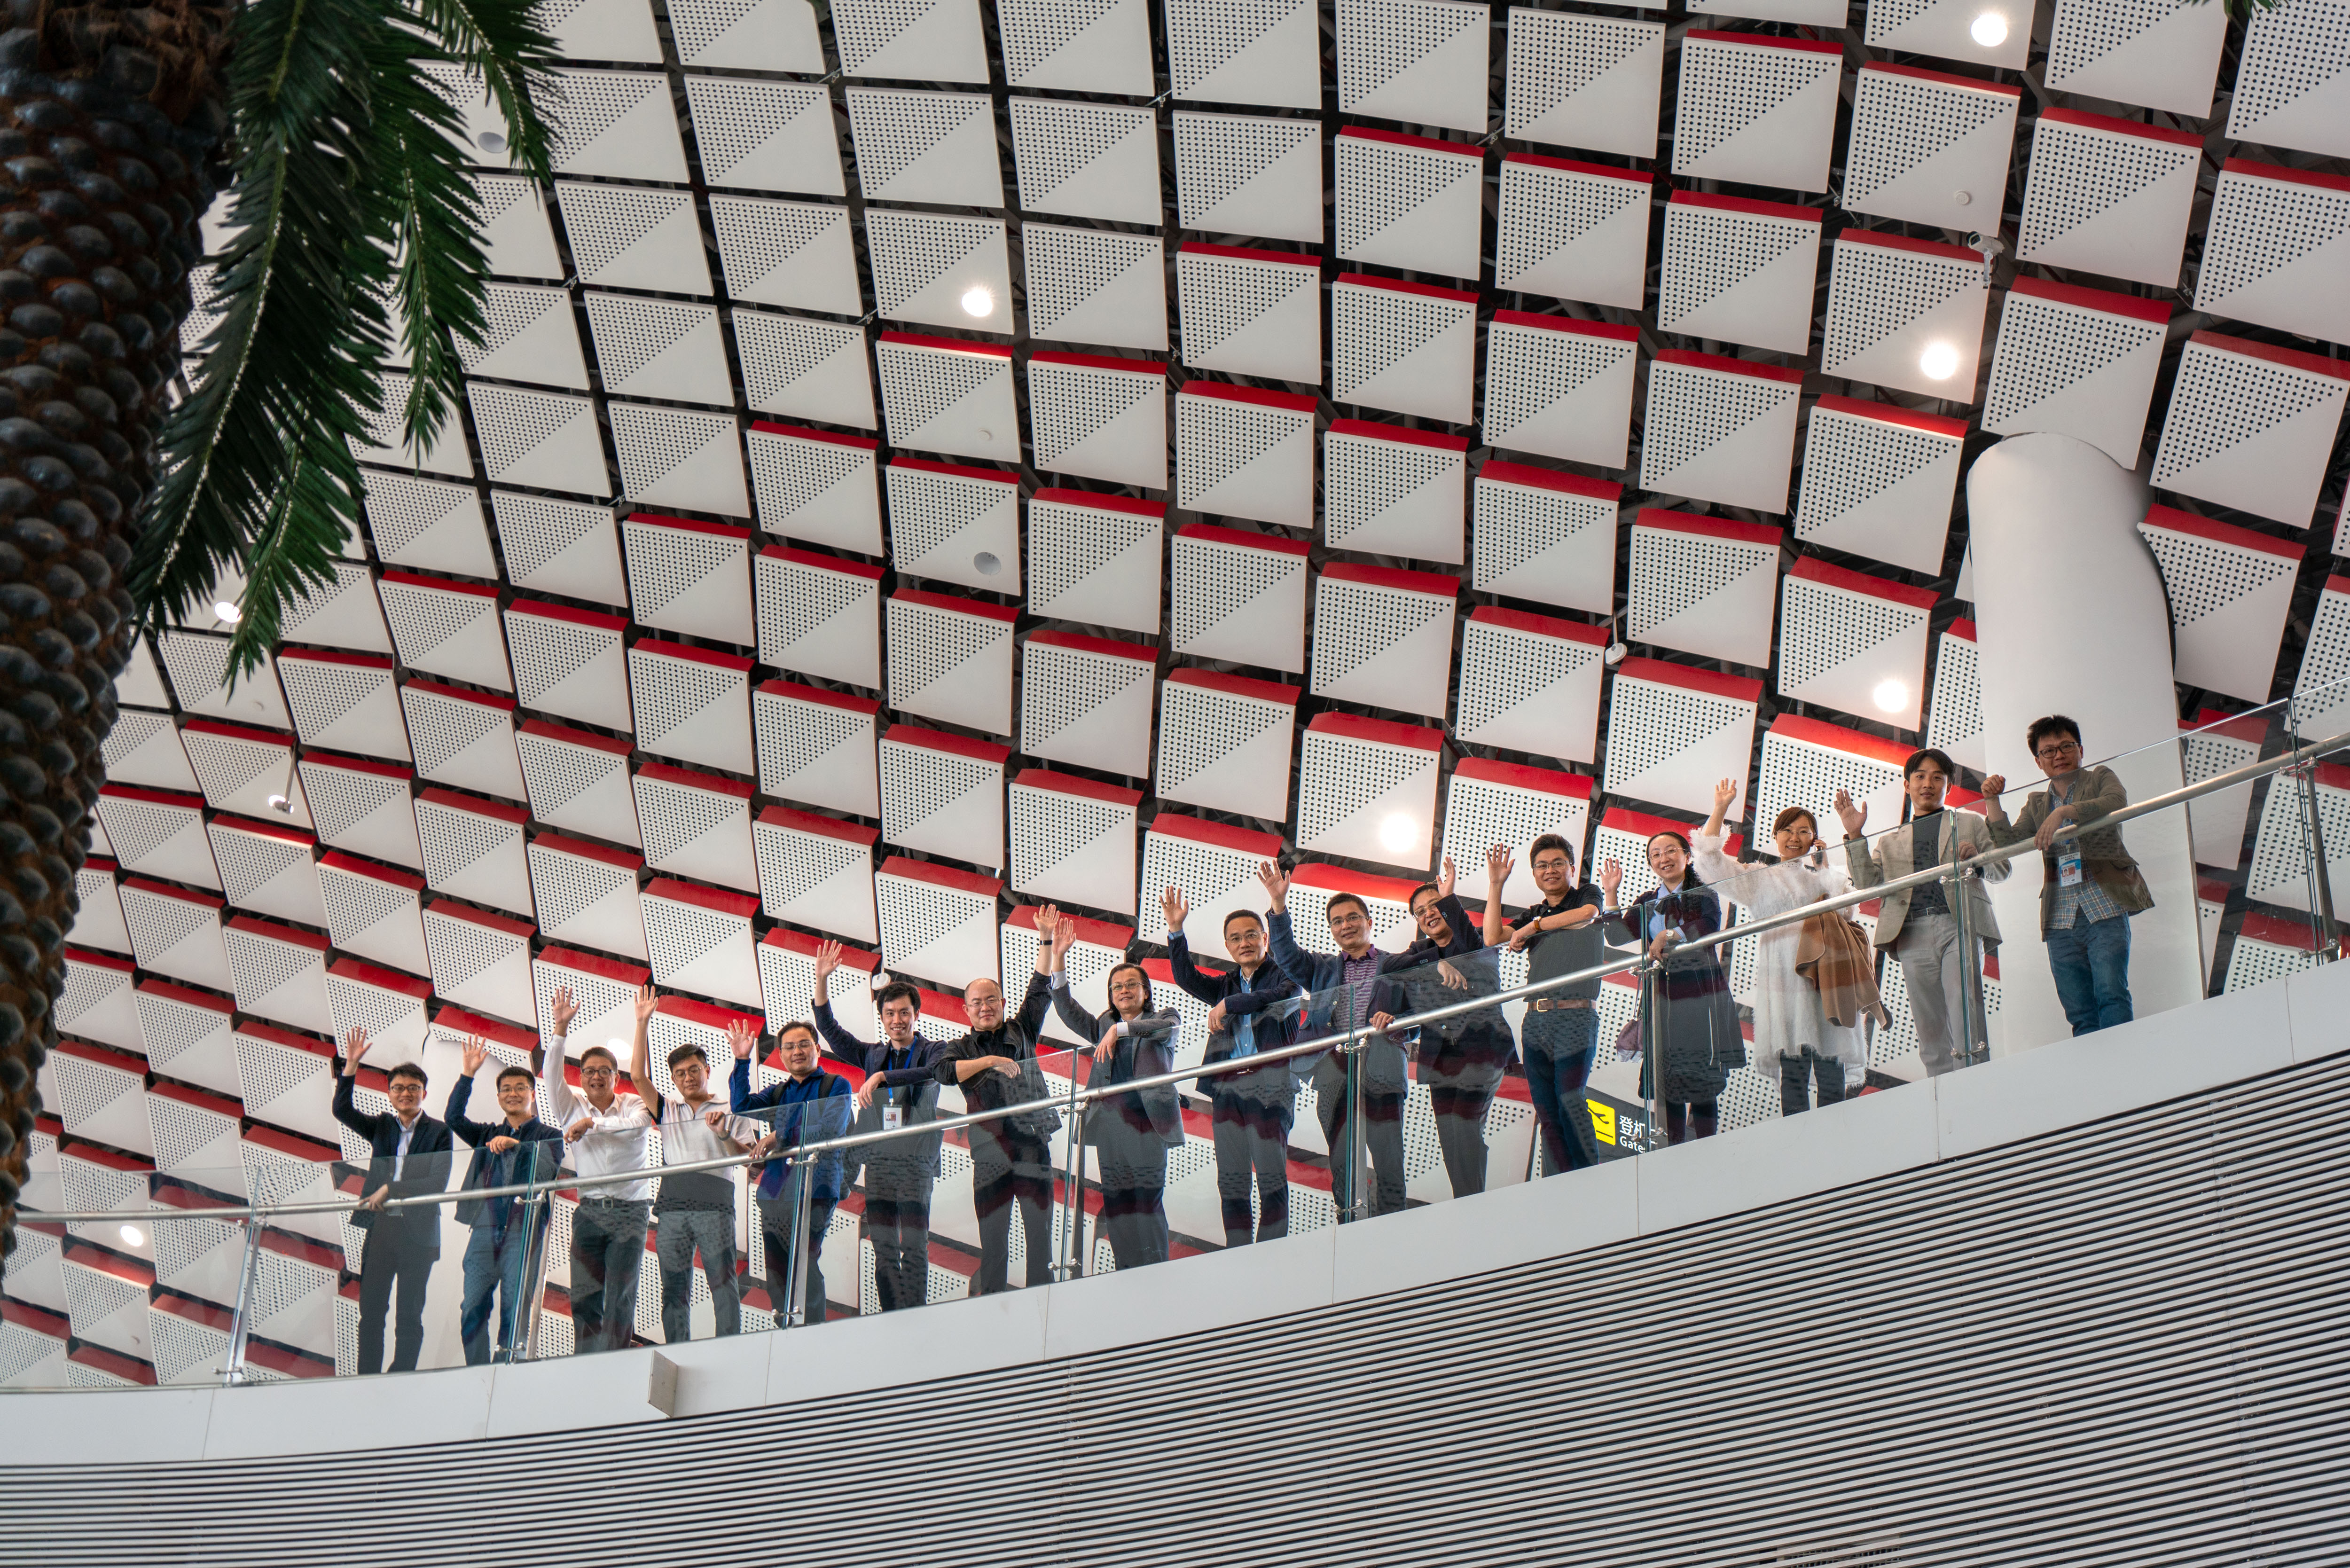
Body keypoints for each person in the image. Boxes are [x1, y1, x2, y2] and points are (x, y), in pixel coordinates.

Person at [1696, 782, 1864, 1116]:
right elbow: (1711, 863)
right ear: (1775, 836)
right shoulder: (1758, 877)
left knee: (1832, 1072)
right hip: (1783, 981)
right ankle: (1797, 1142)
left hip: (1826, 978)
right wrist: (1720, 809)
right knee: (1794, 1075)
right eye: (1787, 830)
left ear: (1814, 839)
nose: (1794, 838)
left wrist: (1824, 868)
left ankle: (1837, 1139)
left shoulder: (1824, 877)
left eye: (1804, 832)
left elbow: (1848, 909)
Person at [1256, 860, 1411, 1217]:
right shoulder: (1322, 968)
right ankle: (1350, 1226)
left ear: (1369, 922)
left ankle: (1394, 1227)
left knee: (1388, 1158)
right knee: (1341, 1160)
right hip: (1334, 1071)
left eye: (1353, 917)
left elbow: (1416, 1020)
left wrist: (1397, 1022)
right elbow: (1285, 955)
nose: (1345, 925)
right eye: (1337, 921)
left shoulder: (1397, 964)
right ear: (1332, 930)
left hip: (1383, 1067)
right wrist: (1278, 905)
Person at [1839, 747, 2008, 1074]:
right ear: (1907, 785)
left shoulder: (1969, 823)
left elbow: (2002, 868)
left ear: (1948, 785)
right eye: (1920, 777)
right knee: (1928, 1024)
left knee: (1966, 1012)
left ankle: (1977, 1084)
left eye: (1937, 778)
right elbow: (1865, 882)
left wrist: (1977, 861)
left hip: (1959, 924)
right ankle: (1940, 1092)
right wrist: (1856, 835)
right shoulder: (1890, 841)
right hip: (1911, 933)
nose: (1927, 784)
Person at [1982, 715, 2152, 1035]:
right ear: (2039, 762)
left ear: (2080, 750)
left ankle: (2125, 1062)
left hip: (2105, 906)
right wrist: (1992, 801)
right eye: (2049, 751)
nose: (2058, 755)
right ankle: (2092, 1068)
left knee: (2112, 995)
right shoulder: (2037, 803)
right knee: (2079, 1012)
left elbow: (2116, 801)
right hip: (2060, 918)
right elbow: (2007, 845)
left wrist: (2064, 812)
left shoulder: (2099, 777)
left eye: (2066, 747)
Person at [811, 946, 952, 1311]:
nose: (897, 1020)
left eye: (904, 1012)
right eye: (890, 1014)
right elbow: (829, 1029)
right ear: (882, 1018)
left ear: (916, 1015)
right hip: (879, 1163)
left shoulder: (935, 1050)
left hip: (916, 1162)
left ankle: (914, 1314)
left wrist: (883, 1078)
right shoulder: (873, 1054)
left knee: (915, 1245)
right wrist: (822, 979)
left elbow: (933, 1074)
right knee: (884, 1246)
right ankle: (892, 1316)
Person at [1044, 913, 1184, 1270]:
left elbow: (1162, 1030)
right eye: (1117, 987)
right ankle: (1126, 1273)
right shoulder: (1105, 1023)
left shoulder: (1166, 1018)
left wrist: (1121, 1030)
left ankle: (1157, 1271)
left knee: (1147, 1203)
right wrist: (1058, 958)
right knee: (1118, 1206)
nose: (1123, 990)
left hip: (1148, 1127)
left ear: (1146, 991)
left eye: (1131, 985)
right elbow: (1067, 1010)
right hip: (1110, 1128)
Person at [1163, 887, 1302, 1247]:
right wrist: (1176, 931)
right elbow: (1186, 979)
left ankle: (1271, 1253)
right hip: (1228, 1091)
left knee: (1271, 1176)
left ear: (1265, 938)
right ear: (1227, 946)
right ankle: (1237, 1253)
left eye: (1251, 935)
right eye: (1236, 939)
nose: (1244, 943)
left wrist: (1229, 1004)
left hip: (1271, 1087)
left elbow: (1281, 997)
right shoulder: (1226, 983)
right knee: (1232, 1180)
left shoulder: (1284, 973)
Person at [627, 987, 764, 1343]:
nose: (687, 1077)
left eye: (693, 1070)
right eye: (680, 1074)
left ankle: (728, 1348)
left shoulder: (731, 1108)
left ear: (707, 1071)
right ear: (673, 1080)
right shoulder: (667, 1109)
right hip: (672, 1207)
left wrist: (722, 1133)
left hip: (715, 1205)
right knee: (674, 1288)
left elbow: (751, 1161)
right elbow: (638, 1077)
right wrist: (642, 1023)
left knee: (723, 1283)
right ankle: (678, 1350)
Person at [930, 927, 1061, 1294]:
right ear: (966, 1010)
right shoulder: (959, 1048)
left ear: (1002, 1002)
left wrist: (1046, 940)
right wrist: (989, 1061)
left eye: (991, 1000)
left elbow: (1039, 988)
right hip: (989, 1153)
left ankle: (1043, 1307)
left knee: (1040, 1240)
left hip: (1032, 1146)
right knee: (993, 1244)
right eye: (977, 1003)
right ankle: (992, 1310)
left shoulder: (1022, 1029)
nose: (985, 1007)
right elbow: (943, 1073)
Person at [1600, 831, 1738, 1145]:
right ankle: (1673, 1151)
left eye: (1671, 851)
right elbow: (1618, 937)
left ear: (1687, 856)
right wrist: (1611, 894)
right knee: (1668, 1082)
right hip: (1661, 998)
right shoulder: (1647, 902)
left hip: (1699, 996)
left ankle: (1707, 1147)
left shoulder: (1702, 890)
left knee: (1702, 1081)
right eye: (1656, 854)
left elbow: (1708, 924)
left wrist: (1668, 935)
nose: (1664, 858)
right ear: (1651, 863)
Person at [330, 1027, 454, 1374]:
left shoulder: (439, 1132)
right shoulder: (382, 1126)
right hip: (381, 1230)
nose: (405, 1093)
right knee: (371, 1313)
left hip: (419, 1234)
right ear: (389, 1094)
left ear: (424, 1093)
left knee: (409, 1316)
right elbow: (342, 1110)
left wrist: (391, 1189)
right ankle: (367, 1378)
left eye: (413, 1088)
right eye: (398, 1088)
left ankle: (402, 1378)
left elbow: (437, 1183)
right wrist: (351, 1066)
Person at [1385, 857, 1510, 1199]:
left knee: (1464, 1128)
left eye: (1435, 905)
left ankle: (1472, 1204)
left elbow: (1470, 950)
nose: (1429, 914)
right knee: (1450, 1138)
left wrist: (1449, 898)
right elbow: (1389, 966)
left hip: (1481, 1052)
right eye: (1420, 911)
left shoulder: (1476, 940)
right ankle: (1466, 1200)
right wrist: (1435, 965)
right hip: (1440, 1058)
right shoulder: (1420, 951)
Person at [1482, 835, 1606, 1175]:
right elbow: (1492, 937)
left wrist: (1532, 929)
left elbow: (1587, 916)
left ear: (1571, 868)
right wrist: (1496, 885)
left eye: (1557, 863)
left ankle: (1590, 1178)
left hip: (1576, 1015)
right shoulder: (1535, 913)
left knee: (1571, 1099)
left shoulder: (1586, 894)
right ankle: (1558, 1183)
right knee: (1548, 1112)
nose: (1549, 870)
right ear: (1534, 873)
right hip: (1535, 1020)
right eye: (1541, 866)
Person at [538, 985, 650, 1355]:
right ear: (582, 1077)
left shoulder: (633, 1103)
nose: (596, 1077)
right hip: (589, 1213)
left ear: (616, 1077)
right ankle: (585, 1362)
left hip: (631, 1212)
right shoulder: (571, 1107)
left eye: (605, 1071)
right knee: (585, 1295)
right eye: (589, 1072)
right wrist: (560, 1030)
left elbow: (637, 1127)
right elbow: (551, 1075)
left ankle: (615, 1359)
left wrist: (593, 1125)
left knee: (621, 1295)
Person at [445, 1035, 564, 1366]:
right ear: (498, 1098)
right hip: (484, 1230)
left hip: (523, 1233)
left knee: (515, 1305)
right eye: (506, 1089)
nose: (513, 1094)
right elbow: (453, 1118)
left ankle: (507, 1371)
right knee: (472, 1306)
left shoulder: (550, 1136)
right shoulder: (486, 1135)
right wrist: (468, 1075)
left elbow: (546, 1173)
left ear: (532, 1094)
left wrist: (518, 1147)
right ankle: (478, 1372)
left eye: (520, 1088)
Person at [729, 1020, 853, 1327]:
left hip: (816, 1189)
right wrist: (742, 1061)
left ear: (817, 1049)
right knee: (777, 1273)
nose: (797, 1051)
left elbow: (829, 1130)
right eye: (789, 1047)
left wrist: (779, 1135)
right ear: (782, 1055)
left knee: (805, 1265)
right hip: (776, 1192)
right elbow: (741, 1106)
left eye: (803, 1044)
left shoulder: (836, 1086)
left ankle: (813, 1334)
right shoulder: (778, 1093)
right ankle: (787, 1332)